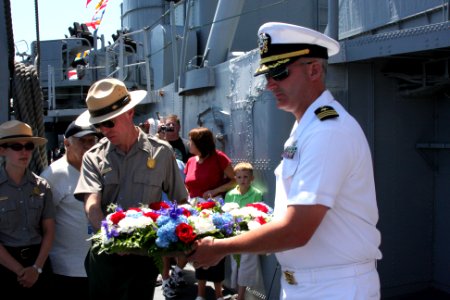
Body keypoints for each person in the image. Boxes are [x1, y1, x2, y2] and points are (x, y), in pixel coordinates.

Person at [189, 22, 382, 300]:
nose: (270, 84)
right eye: (267, 74)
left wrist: (220, 247)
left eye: (279, 72)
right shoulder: (305, 127)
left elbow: (297, 230)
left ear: (314, 69)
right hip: (305, 284)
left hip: (334, 287)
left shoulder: (328, 130)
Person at [73, 78, 188, 300]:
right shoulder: (93, 157)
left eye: (109, 123)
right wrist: (111, 235)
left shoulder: (162, 153)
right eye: (99, 125)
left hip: (144, 257)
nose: (104, 130)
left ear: (129, 113)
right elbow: (92, 204)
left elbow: (180, 201)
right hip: (107, 253)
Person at [40, 120, 99, 298]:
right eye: (83, 141)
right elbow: (42, 221)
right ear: (66, 143)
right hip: (66, 270)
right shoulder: (54, 175)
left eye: (92, 141)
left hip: (96, 267)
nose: (89, 146)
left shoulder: (97, 169)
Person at [0, 120, 55, 297]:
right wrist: (20, 271)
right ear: (2, 150)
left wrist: (36, 268)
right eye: (16, 146)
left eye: (29, 146)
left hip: (38, 263)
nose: (24, 152)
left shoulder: (42, 186)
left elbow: (49, 231)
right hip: (6, 265)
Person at [184, 127, 236, 300]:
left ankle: (219, 294)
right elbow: (188, 184)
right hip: (195, 211)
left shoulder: (219, 158)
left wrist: (214, 191)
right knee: (196, 248)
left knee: (214, 248)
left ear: (200, 143)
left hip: (213, 211)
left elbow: (233, 180)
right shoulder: (190, 161)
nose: (188, 143)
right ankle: (201, 293)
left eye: (191, 141)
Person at [224, 162, 263, 300]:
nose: (242, 180)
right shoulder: (230, 194)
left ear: (251, 178)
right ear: (235, 178)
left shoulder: (256, 194)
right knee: (235, 263)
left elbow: (258, 213)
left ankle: (240, 296)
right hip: (234, 232)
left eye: (246, 177)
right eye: (239, 177)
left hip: (248, 233)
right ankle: (238, 292)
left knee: (246, 264)